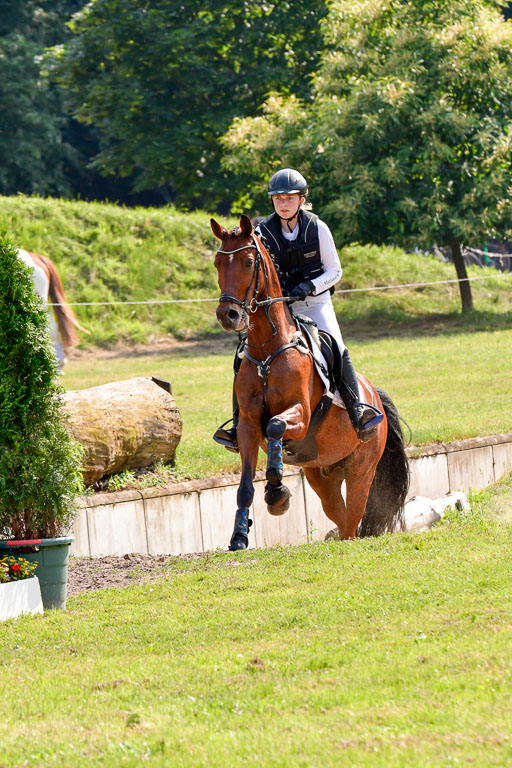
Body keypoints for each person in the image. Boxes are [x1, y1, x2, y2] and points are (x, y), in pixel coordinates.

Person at [214, 168, 383, 451]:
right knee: (244, 353)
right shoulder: (262, 232)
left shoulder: (317, 228)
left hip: (315, 303)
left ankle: (357, 411)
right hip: (279, 307)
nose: (283, 203)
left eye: (289, 198)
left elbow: (335, 270)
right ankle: (236, 424)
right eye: (278, 198)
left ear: (302, 200)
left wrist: (310, 286)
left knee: (337, 348)